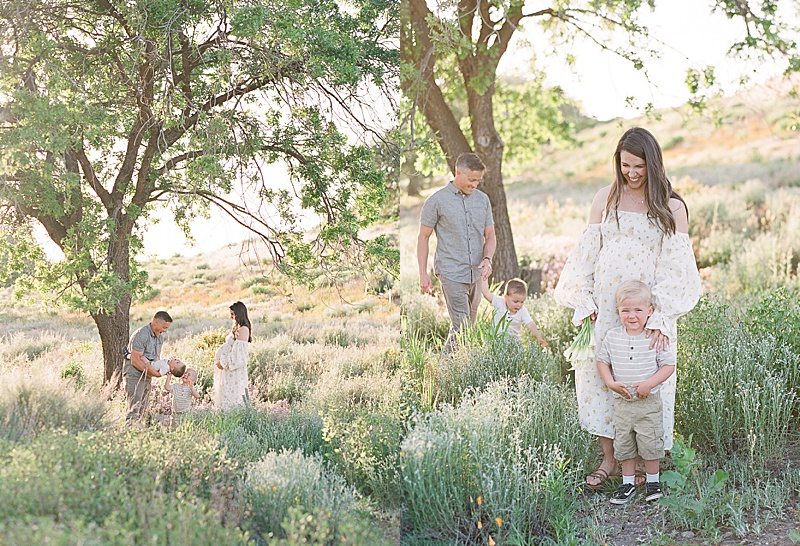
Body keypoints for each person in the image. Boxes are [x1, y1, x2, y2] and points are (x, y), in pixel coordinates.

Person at [554, 127, 701, 490]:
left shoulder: (671, 205)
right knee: (600, 378)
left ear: (653, 163)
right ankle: (610, 460)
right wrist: (583, 299)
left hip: (646, 312)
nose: (632, 173)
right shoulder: (605, 197)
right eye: (625, 165)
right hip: (606, 308)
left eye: (639, 166)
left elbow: (677, 268)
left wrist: (660, 317)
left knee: (644, 378)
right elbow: (585, 255)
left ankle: (643, 463)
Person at [597, 281, 675, 504]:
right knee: (624, 445)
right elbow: (602, 361)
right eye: (625, 311)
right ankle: (627, 484)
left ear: (649, 311)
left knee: (650, 443)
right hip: (623, 403)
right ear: (618, 312)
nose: (632, 316)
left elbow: (668, 365)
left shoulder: (654, 337)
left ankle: (653, 481)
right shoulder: (613, 336)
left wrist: (649, 383)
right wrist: (611, 383)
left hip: (648, 403)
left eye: (638, 310)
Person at [417, 152, 496, 351]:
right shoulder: (436, 201)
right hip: (451, 271)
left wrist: (488, 259)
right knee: (462, 326)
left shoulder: (483, 200)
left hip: (476, 273)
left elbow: (491, 235)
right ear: (458, 172)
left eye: (478, 180)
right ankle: (446, 371)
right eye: (471, 180)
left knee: (469, 327)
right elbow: (423, 237)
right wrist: (422, 273)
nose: (475, 185)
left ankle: (458, 369)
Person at [123, 310, 174, 423]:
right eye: (164, 327)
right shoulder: (142, 334)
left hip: (147, 374)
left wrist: (157, 370)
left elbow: (157, 358)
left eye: (167, 328)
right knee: (134, 408)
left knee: (143, 407)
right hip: (135, 374)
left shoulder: (160, 338)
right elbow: (135, 360)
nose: (165, 331)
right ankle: (129, 433)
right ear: (156, 322)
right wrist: (153, 372)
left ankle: (139, 434)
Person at [480, 277, 548, 346]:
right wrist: (484, 276)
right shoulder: (499, 302)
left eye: (522, 302)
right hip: (496, 340)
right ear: (506, 297)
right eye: (516, 301)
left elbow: (530, 323)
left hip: (514, 343)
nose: (519, 305)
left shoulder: (522, 311)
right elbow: (486, 293)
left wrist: (539, 337)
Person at [213, 301, 251, 409]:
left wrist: (223, 362)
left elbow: (239, 356)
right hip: (228, 370)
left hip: (233, 370)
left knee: (234, 397)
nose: (230, 317)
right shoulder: (237, 328)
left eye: (232, 314)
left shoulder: (243, 329)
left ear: (239, 314)